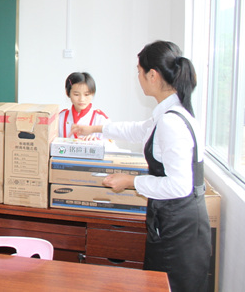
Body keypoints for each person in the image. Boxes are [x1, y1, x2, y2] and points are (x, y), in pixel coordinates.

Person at [71, 41, 211, 292]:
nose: (137, 77)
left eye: (139, 71)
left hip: (179, 230)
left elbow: (179, 186)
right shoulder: (170, 112)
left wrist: (130, 181)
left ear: (153, 75)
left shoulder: (171, 122)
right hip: (177, 222)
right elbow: (139, 130)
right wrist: (94, 128)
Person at [58, 72, 109, 140]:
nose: (82, 99)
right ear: (68, 93)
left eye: (86, 94)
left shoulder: (100, 119)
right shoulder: (60, 118)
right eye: (76, 94)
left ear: (93, 94)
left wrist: (97, 141)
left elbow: (111, 144)